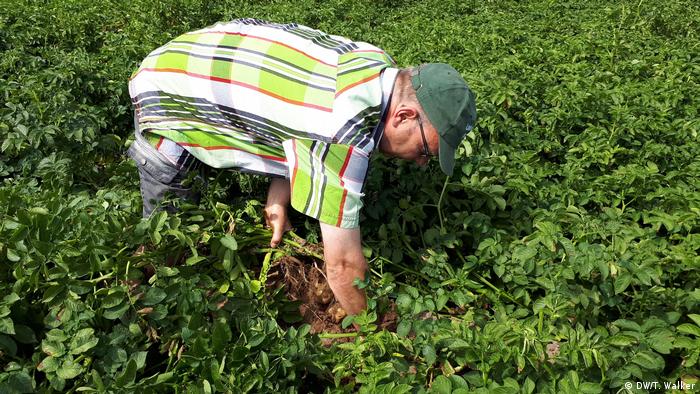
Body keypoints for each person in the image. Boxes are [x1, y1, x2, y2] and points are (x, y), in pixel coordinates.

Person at [127, 18, 476, 318]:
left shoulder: (377, 66)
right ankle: (142, 298)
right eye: (427, 150)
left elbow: (299, 120)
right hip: (166, 89)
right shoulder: (343, 132)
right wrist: (374, 332)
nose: (420, 161)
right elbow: (342, 267)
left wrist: (277, 199)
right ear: (403, 116)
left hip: (202, 52)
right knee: (169, 227)